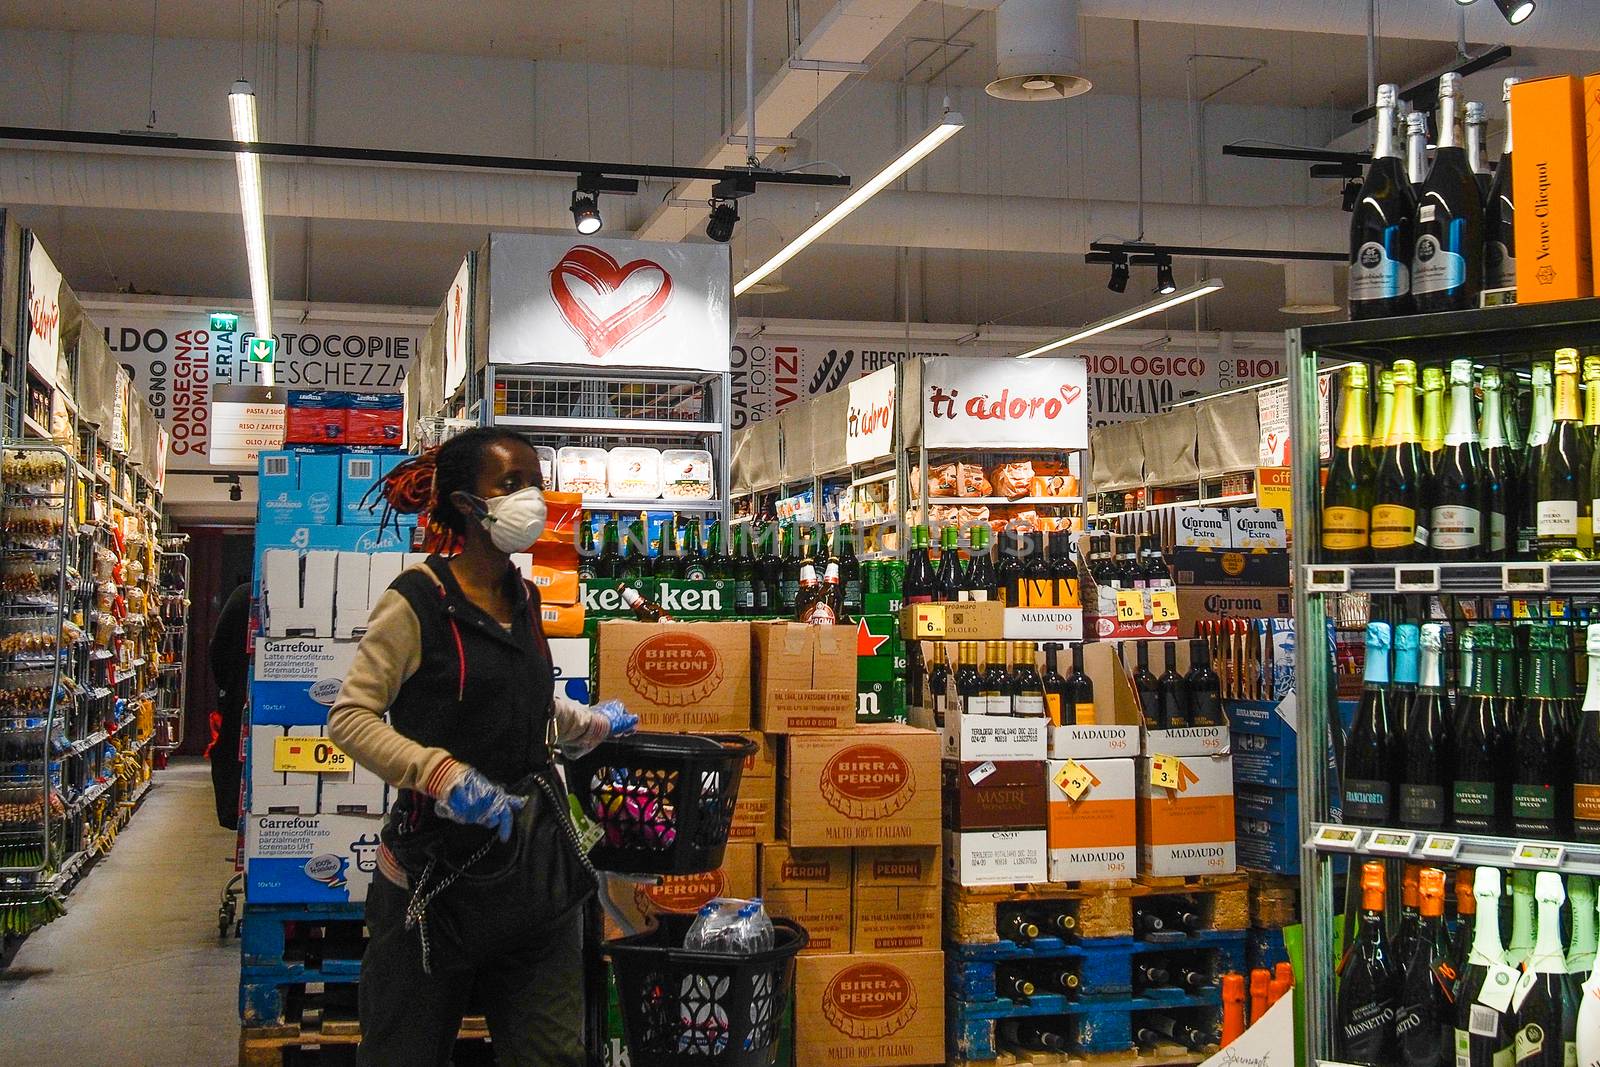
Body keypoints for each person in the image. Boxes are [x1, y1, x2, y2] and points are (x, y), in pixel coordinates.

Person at [328, 428, 636, 1067]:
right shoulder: (417, 601)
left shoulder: (523, 597)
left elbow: (516, 696)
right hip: (431, 880)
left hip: (532, 873)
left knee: (551, 1053)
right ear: (468, 503)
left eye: (536, 482)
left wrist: (583, 724)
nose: (533, 498)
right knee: (402, 1052)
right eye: (512, 485)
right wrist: (438, 774)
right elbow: (351, 717)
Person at [208, 580, 251, 830]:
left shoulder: (242, 595)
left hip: (239, 694)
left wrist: (228, 687)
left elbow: (218, 651)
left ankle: (237, 816)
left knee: (236, 754)